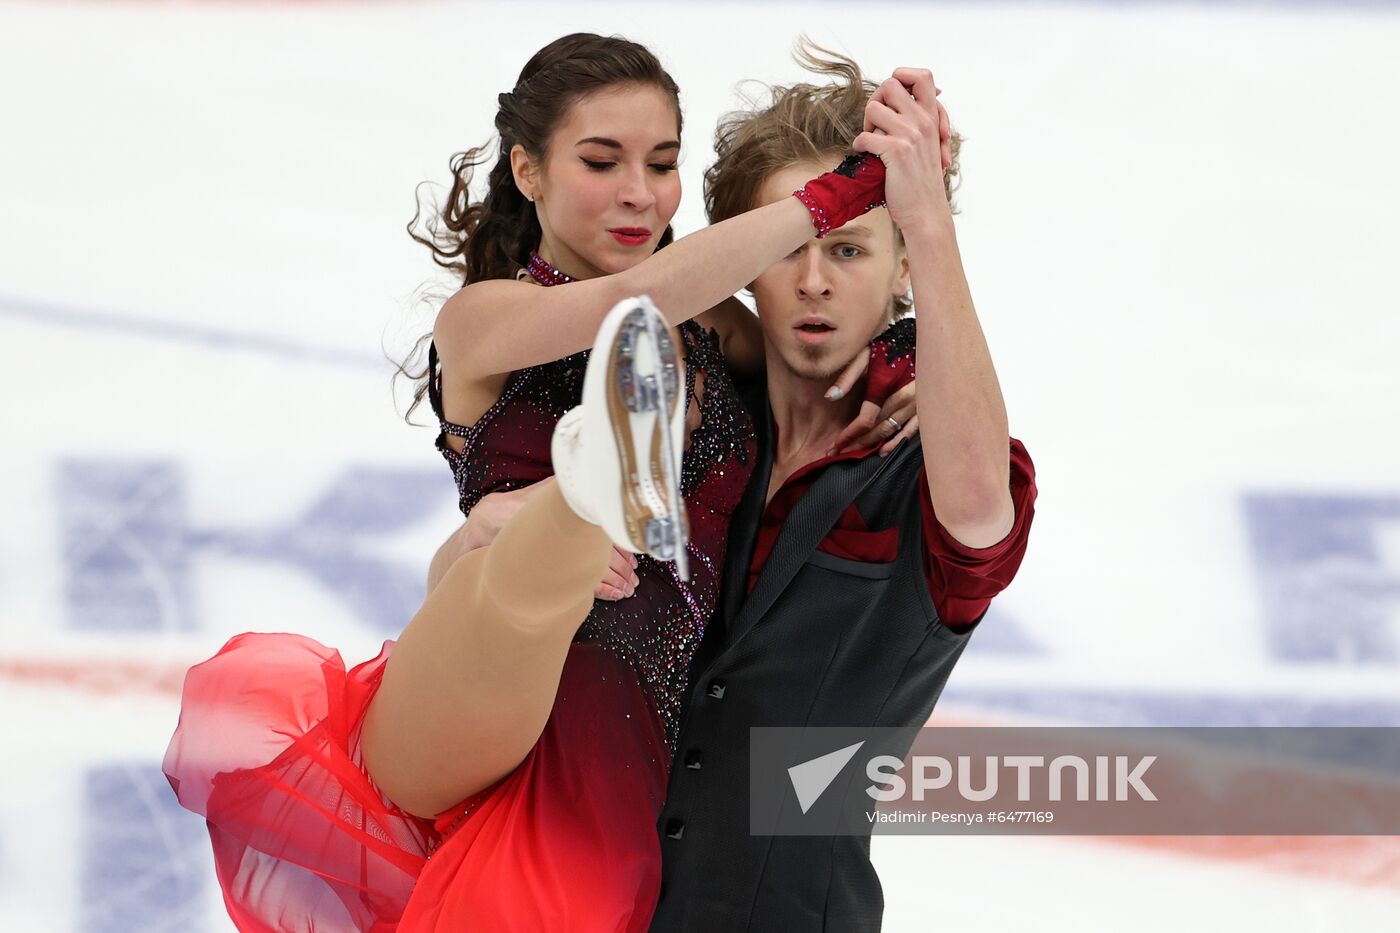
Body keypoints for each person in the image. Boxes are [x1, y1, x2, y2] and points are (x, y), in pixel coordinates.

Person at [162, 33, 946, 932]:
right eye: (601, 160)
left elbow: (816, 363)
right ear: (528, 169)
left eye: (661, 163)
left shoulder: (720, 336)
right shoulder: (483, 320)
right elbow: (626, 306)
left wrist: (902, 375)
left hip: (620, 739)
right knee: (531, 581)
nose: (638, 192)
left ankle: (589, 497)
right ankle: (588, 493)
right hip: (466, 698)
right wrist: (829, 197)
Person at [645, 50, 1038, 931]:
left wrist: (929, 224)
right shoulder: (691, 419)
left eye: (851, 248)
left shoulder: (928, 464)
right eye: (787, 250)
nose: (814, 280)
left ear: (902, 269)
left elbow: (979, 514)